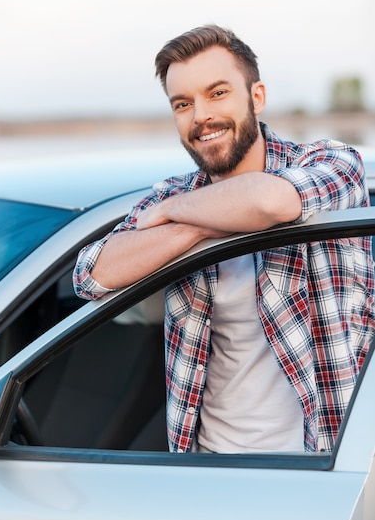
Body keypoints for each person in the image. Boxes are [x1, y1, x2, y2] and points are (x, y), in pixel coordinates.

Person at [73, 24, 375, 454]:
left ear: (256, 97)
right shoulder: (173, 194)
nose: (200, 117)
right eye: (183, 103)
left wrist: (172, 216)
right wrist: (197, 221)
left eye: (217, 93)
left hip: (325, 462)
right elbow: (92, 273)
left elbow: (269, 202)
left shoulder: (331, 160)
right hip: (209, 465)